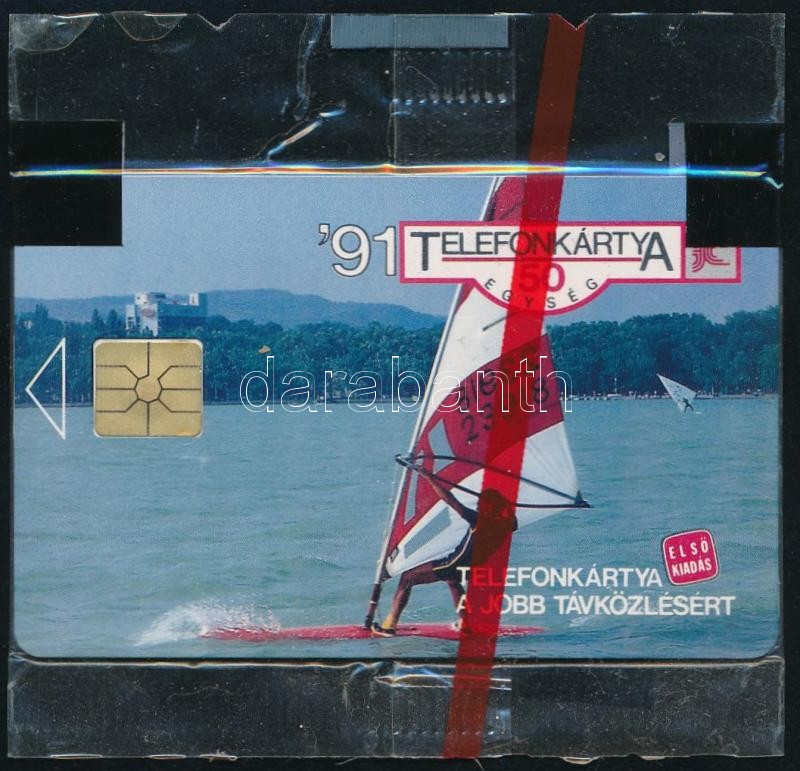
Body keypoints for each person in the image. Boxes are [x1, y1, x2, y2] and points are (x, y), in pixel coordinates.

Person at [371, 471, 517, 637]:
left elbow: (449, 500)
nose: (478, 506)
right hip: (471, 568)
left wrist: (430, 479)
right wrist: (505, 504)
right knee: (453, 580)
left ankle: (389, 626)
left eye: (482, 503)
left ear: (491, 506)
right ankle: (465, 623)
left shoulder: (479, 520)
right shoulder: (506, 525)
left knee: (407, 578)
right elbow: (513, 520)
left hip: (453, 564)